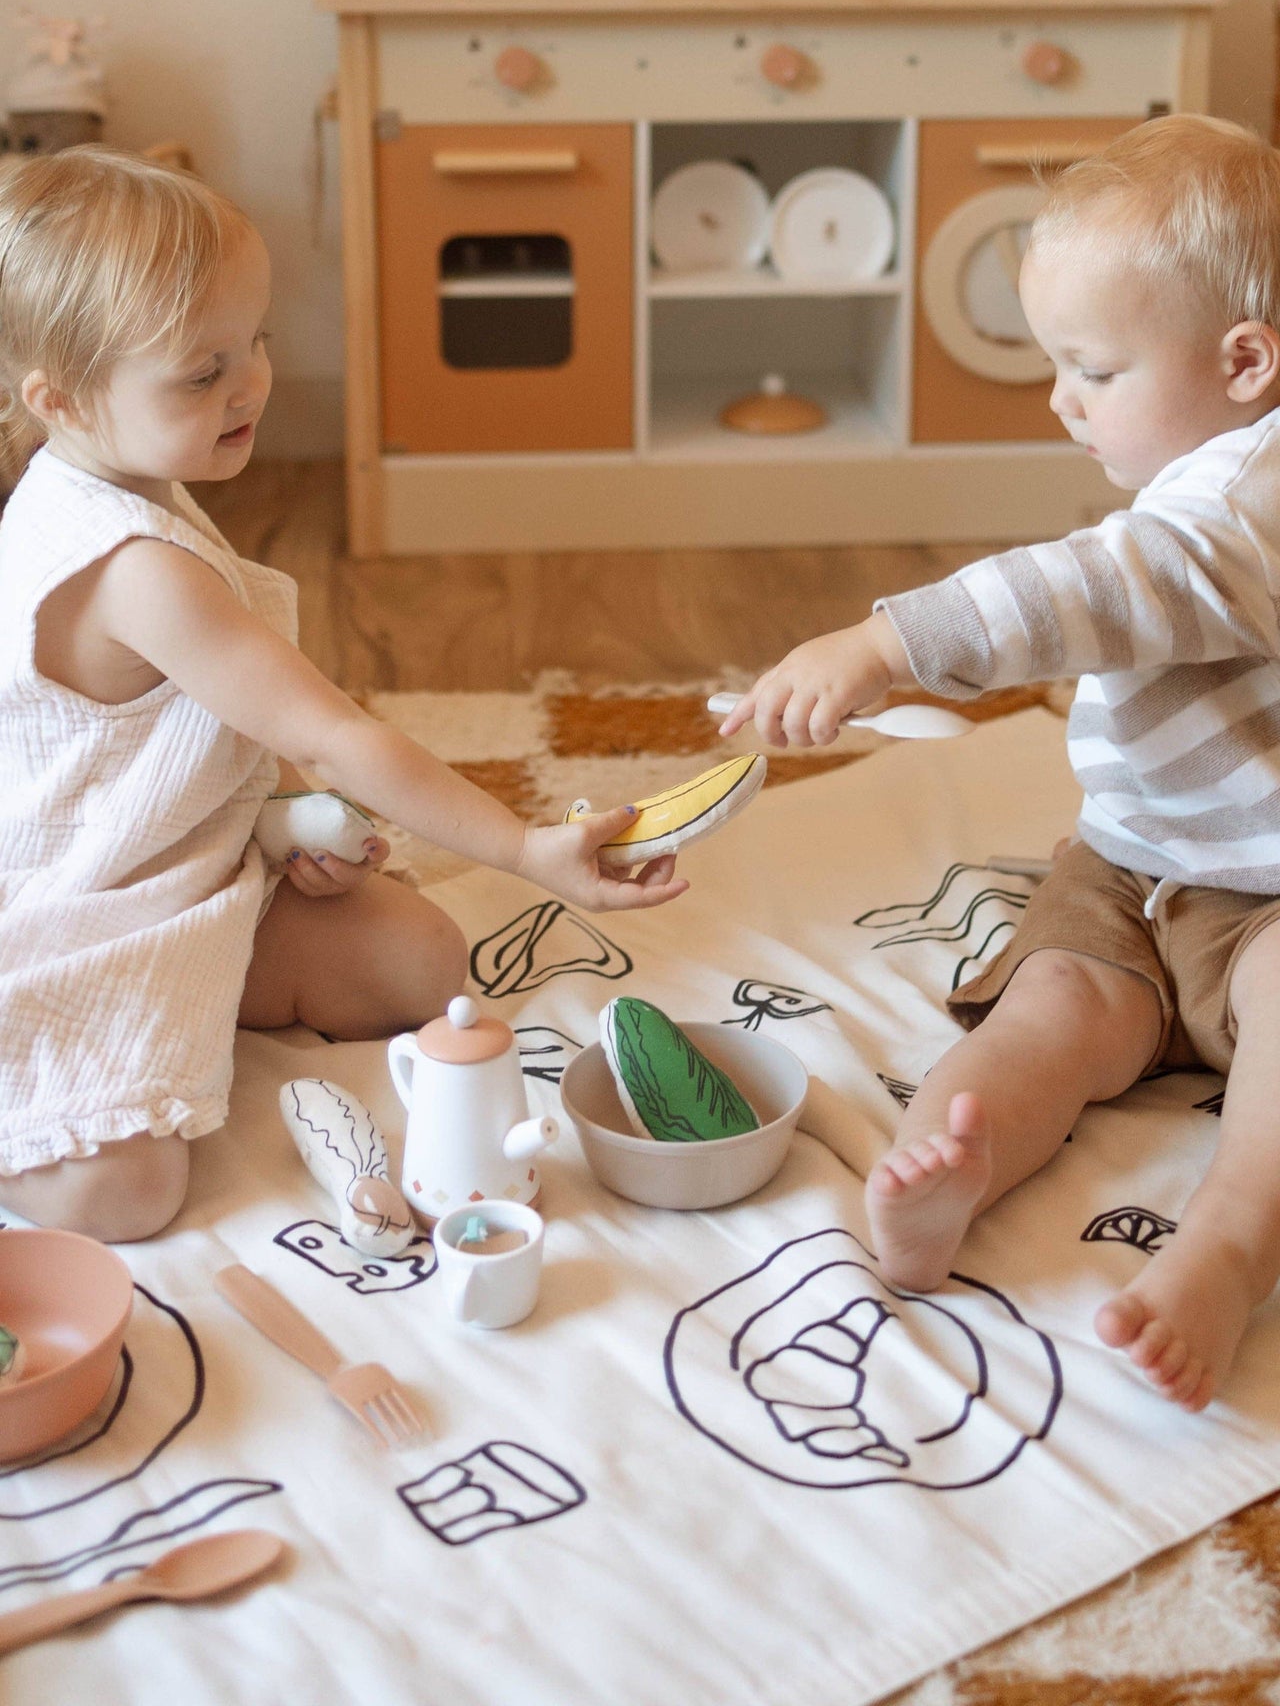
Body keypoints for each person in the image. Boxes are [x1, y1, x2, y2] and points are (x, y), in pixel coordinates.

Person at [0, 148, 686, 1245]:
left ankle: (209, 990)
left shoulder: (117, 477)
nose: (251, 384)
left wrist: (280, 818)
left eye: (257, 341)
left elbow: (212, 724)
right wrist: (521, 847)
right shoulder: (135, 569)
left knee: (424, 964)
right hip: (95, 907)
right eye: (202, 372)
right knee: (123, 1196)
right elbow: (332, 732)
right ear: (61, 400)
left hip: (196, 869)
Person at [722, 114, 1280, 1413]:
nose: (1060, 400)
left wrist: (888, 645)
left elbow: (1103, 585)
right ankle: (941, 1169)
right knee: (1052, 1011)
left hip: (1263, 896)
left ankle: (1227, 1246)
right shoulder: (1211, 475)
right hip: (1131, 864)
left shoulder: (1251, 501)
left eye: (1093, 368)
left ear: (1245, 361)